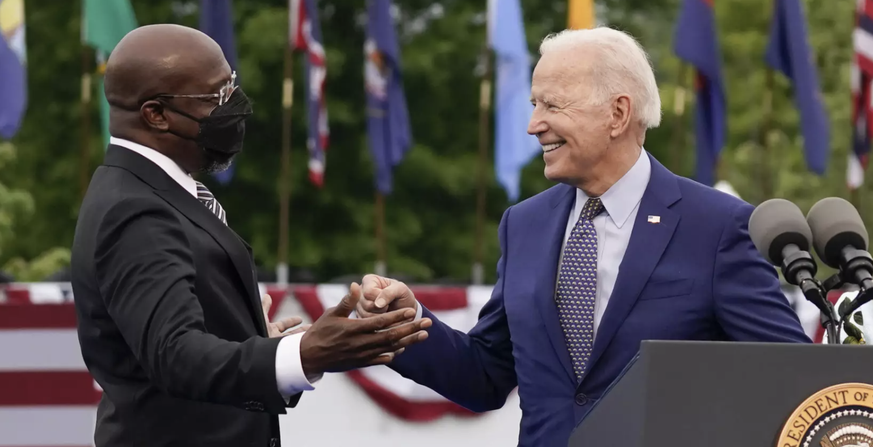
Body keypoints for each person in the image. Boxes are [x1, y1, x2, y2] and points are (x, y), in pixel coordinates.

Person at [355, 27, 812, 446]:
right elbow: (486, 376)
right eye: (535, 105)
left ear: (617, 113)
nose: (534, 124)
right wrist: (405, 322)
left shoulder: (717, 227)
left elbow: (787, 378)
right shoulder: (523, 225)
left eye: (552, 105)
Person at [71, 24, 431, 447]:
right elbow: (174, 355)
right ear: (156, 114)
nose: (235, 107)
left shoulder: (163, 191)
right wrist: (304, 354)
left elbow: (185, 340)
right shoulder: (135, 208)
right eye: (216, 97)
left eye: (232, 86)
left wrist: (255, 344)